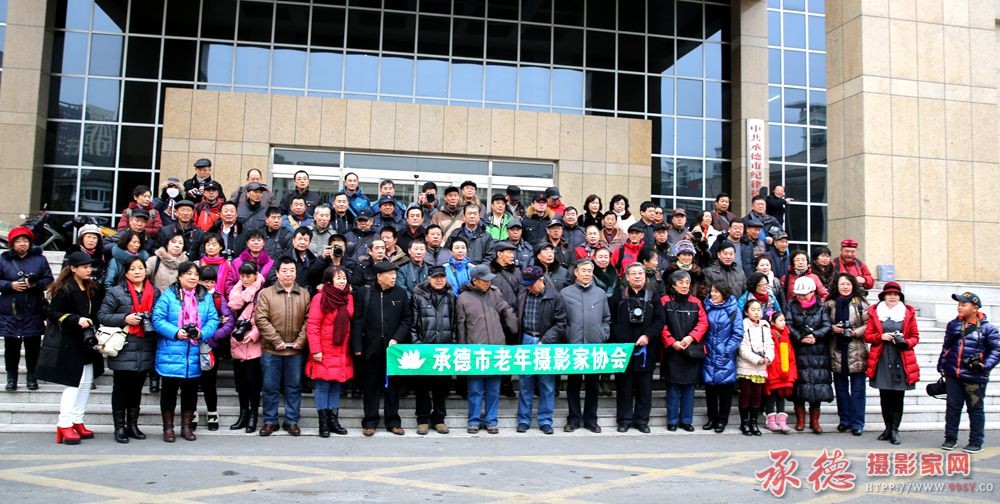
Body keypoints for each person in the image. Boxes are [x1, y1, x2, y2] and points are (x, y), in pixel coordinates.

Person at [35, 252, 104, 445]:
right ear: (73, 268)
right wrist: (75, 319)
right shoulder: (64, 288)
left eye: (90, 267)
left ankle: (77, 419)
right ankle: (64, 423)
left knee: (86, 383)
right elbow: (53, 312)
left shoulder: (91, 287)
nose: (89, 270)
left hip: (87, 341)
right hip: (70, 341)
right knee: (74, 383)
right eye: (84, 267)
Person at [151, 261, 220, 442]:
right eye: (188, 274)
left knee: (190, 393)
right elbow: (157, 319)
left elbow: (213, 319)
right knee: (169, 392)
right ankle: (168, 428)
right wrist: (175, 332)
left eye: (196, 275)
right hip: (171, 352)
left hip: (194, 352)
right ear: (180, 276)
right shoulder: (168, 295)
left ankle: (186, 427)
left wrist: (201, 333)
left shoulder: (205, 297)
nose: (192, 277)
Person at [98, 256, 159, 443]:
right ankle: (119, 427)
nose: (137, 272)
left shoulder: (154, 291)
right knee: (120, 389)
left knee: (137, 388)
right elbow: (102, 315)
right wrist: (125, 318)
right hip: (124, 345)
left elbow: (160, 316)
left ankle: (133, 425)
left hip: (145, 345)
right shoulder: (116, 292)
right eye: (133, 269)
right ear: (126, 273)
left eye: (140, 268)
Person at [352, 261, 413, 436]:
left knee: (392, 387)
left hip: (392, 350)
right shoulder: (365, 293)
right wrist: (357, 345)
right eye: (390, 274)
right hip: (370, 348)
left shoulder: (400, 293)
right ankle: (370, 421)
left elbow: (406, 320)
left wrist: (397, 338)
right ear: (379, 276)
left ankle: (393, 421)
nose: (394, 277)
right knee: (370, 386)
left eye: (395, 274)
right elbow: (357, 320)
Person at [457, 265, 518, 434]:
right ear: (475, 281)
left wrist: (514, 324)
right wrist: (462, 350)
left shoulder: (495, 293)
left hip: (496, 348)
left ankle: (491, 421)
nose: (488, 283)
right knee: (475, 389)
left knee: (493, 389)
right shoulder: (463, 298)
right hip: (475, 350)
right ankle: (474, 421)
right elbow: (461, 327)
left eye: (489, 280)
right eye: (485, 281)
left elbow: (505, 308)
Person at [255, 257, 311, 437]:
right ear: (277, 273)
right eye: (284, 271)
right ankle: (270, 421)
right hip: (271, 350)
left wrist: (301, 341)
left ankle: (292, 421)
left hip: (295, 350)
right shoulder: (266, 293)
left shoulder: (304, 294)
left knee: (293, 387)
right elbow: (260, 319)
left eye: (292, 270)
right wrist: (276, 340)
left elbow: (309, 320)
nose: (288, 274)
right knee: (270, 387)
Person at [938, 291, 999, 454]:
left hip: (975, 376)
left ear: (975, 308)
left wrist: (984, 365)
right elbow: (946, 347)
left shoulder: (988, 329)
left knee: (975, 408)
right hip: (953, 373)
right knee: (952, 407)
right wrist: (942, 366)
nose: (959, 307)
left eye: (964, 305)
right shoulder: (953, 325)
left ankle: (976, 441)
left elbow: (997, 350)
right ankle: (950, 438)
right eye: (959, 304)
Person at [611, 263, 666, 433]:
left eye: (640, 273)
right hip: (623, 349)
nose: (637, 276)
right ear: (627, 277)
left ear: (645, 277)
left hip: (646, 349)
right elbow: (610, 320)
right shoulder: (618, 295)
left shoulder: (653, 296)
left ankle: (642, 420)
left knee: (644, 388)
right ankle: (624, 420)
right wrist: (621, 338)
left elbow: (660, 320)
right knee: (624, 387)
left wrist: (648, 335)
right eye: (633, 274)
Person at [864, 281, 920, 445]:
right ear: (884, 296)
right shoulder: (875, 312)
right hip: (882, 357)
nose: (892, 297)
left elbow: (915, 336)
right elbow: (868, 335)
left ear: (900, 297)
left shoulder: (907, 313)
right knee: (885, 396)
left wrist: (905, 342)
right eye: (889, 294)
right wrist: (880, 337)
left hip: (901, 357)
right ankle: (887, 428)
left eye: (895, 294)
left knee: (898, 396)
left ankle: (895, 429)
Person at [1, 227, 55, 391]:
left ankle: (32, 376)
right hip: (10, 309)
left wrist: (34, 284)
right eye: (18, 241)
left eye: (25, 241)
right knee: (11, 346)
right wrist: (10, 285)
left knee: (33, 346)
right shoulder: (3, 259)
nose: (22, 244)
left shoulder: (40, 259)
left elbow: (49, 279)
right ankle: (12, 378)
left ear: (30, 243)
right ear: (12, 244)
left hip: (33, 308)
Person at [515, 266, 566, 435]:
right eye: (526, 284)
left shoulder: (555, 297)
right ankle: (523, 419)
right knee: (525, 382)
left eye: (531, 284)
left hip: (546, 342)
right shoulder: (523, 294)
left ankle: (545, 420)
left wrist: (545, 340)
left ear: (541, 280)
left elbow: (561, 324)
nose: (528, 287)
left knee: (547, 384)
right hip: (526, 339)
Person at [560, 259, 611, 433]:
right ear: (576, 272)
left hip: (594, 346)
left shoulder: (600, 293)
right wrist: (567, 335)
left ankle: (591, 419)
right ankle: (573, 419)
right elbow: (561, 319)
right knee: (573, 385)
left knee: (592, 385)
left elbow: (606, 318)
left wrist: (603, 334)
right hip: (574, 346)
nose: (587, 274)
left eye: (590, 270)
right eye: (584, 270)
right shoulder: (565, 293)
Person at [306, 266, 354, 437]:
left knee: (336, 384)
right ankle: (323, 422)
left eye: (344, 278)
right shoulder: (320, 298)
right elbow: (313, 325)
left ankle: (334, 421)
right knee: (323, 386)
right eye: (338, 278)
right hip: (324, 349)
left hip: (342, 348)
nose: (342, 281)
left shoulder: (348, 297)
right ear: (329, 281)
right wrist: (316, 350)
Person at [410, 265, 457, 435]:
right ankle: (422, 419)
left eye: (442, 277)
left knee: (441, 387)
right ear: (429, 278)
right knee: (422, 386)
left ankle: (439, 419)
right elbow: (413, 324)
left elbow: (454, 323)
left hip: (444, 349)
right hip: (424, 349)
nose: (439, 280)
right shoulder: (418, 296)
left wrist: (452, 344)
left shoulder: (451, 296)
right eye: (435, 277)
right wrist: (417, 345)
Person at [660, 270, 708, 432]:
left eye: (687, 282)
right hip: (672, 351)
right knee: (672, 388)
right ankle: (672, 421)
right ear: (673, 285)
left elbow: (703, 323)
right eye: (681, 282)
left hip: (691, 350)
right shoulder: (665, 301)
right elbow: (661, 324)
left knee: (689, 388)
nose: (685, 285)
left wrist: (691, 337)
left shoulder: (696, 302)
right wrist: (671, 341)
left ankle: (686, 420)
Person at [786, 276, 833, 433]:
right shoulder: (791, 306)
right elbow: (788, 324)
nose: (801, 297)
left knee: (817, 387)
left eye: (804, 294)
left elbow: (827, 326)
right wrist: (800, 337)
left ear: (813, 292)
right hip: (799, 350)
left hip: (818, 351)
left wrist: (815, 335)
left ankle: (815, 421)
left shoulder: (821, 307)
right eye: (799, 294)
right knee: (799, 387)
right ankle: (800, 420)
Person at [826, 273, 870, 436]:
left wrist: (855, 332)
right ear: (836, 286)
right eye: (842, 284)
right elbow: (823, 323)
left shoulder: (861, 303)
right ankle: (844, 420)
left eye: (848, 284)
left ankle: (857, 422)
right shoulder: (830, 304)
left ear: (853, 286)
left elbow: (869, 324)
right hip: (837, 349)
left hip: (856, 350)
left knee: (858, 390)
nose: (845, 287)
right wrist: (833, 329)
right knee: (841, 389)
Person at [192, 267, 234, 432]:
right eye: (205, 281)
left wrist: (214, 336)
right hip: (192, 344)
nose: (209, 285)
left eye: (212, 282)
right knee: (192, 382)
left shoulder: (218, 298)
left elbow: (229, 321)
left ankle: (212, 413)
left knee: (209, 382)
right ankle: (191, 413)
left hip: (210, 346)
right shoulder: (190, 296)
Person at [226, 262, 265, 433]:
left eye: (249, 276)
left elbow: (264, 317)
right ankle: (243, 414)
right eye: (242, 276)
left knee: (253, 383)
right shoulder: (236, 293)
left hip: (253, 343)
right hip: (237, 341)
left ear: (256, 275)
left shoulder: (261, 293)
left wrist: (255, 333)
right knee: (241, 384)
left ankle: (253, 416)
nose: (245, 279)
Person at [701, 283, 743, 434]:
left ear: (724, 293)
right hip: (708, 354)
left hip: (725, 355)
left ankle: (722, 420)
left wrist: (726, 350)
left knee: (725, 390)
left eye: (716, 292)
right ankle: (712, 418)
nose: (713, 294)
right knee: (710, 390)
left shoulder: (733, 310)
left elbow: (738, 334)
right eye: (712, 291)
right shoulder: (706, 307)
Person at [736, 299, 774, 436]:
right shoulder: (743, 325)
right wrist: (756, 359)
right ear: (746, 312)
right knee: (746, 394)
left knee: (757, 395)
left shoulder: (765, 325)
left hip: (761, 367)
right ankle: (744, 422)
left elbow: (770, 344)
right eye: (753, 310)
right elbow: (742, 348)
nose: (756, 312)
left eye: (759, 310)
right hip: (746, 366)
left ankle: (754, 422)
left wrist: (768, 357)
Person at [763, 311, 797, 432]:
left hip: (784, 370)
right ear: (772, 322)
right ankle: (771, 420)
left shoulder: (786, 333)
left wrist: (790, 370)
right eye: (780, 320)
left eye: (784, 320)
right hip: (773, 370)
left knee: (781, 395)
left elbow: (790, 353)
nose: (783, 323)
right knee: (771, 395)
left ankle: (782, 421)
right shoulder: (770, 334)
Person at [226, 230, 274, 295]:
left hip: (263, 298)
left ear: (263, 243)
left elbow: (273, 285)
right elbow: (229, 283)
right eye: (253, 240)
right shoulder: (237, 262)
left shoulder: (271, 263)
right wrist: (234, 296)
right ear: (247, 243)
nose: (256, 243)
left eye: (259, 240)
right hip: (240, 298)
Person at [199, 233, 235, 299]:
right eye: (208, 245)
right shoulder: (199, 264)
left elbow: (229, 284)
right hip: (202, 299)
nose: (210, 247)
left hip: (222, 300)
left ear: (221, 247)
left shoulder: (227, 264)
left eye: (214, 245)